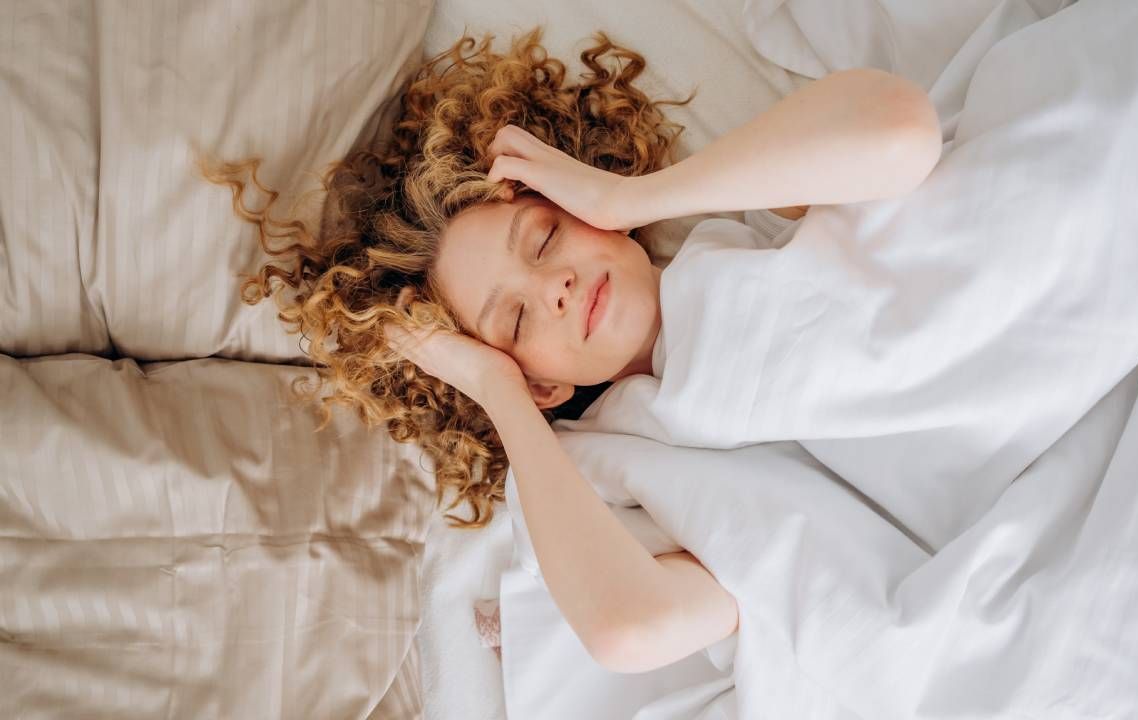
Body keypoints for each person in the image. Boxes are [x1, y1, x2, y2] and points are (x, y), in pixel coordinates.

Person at [205, 27, 941, 674]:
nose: (553, 287)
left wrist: (631, 199)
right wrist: (498, 393)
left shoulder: (739, 224)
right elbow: (631, 630)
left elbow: (903, 130)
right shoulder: (611, 467)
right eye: (516, 322)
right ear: (544, 386)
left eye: (546, 237)